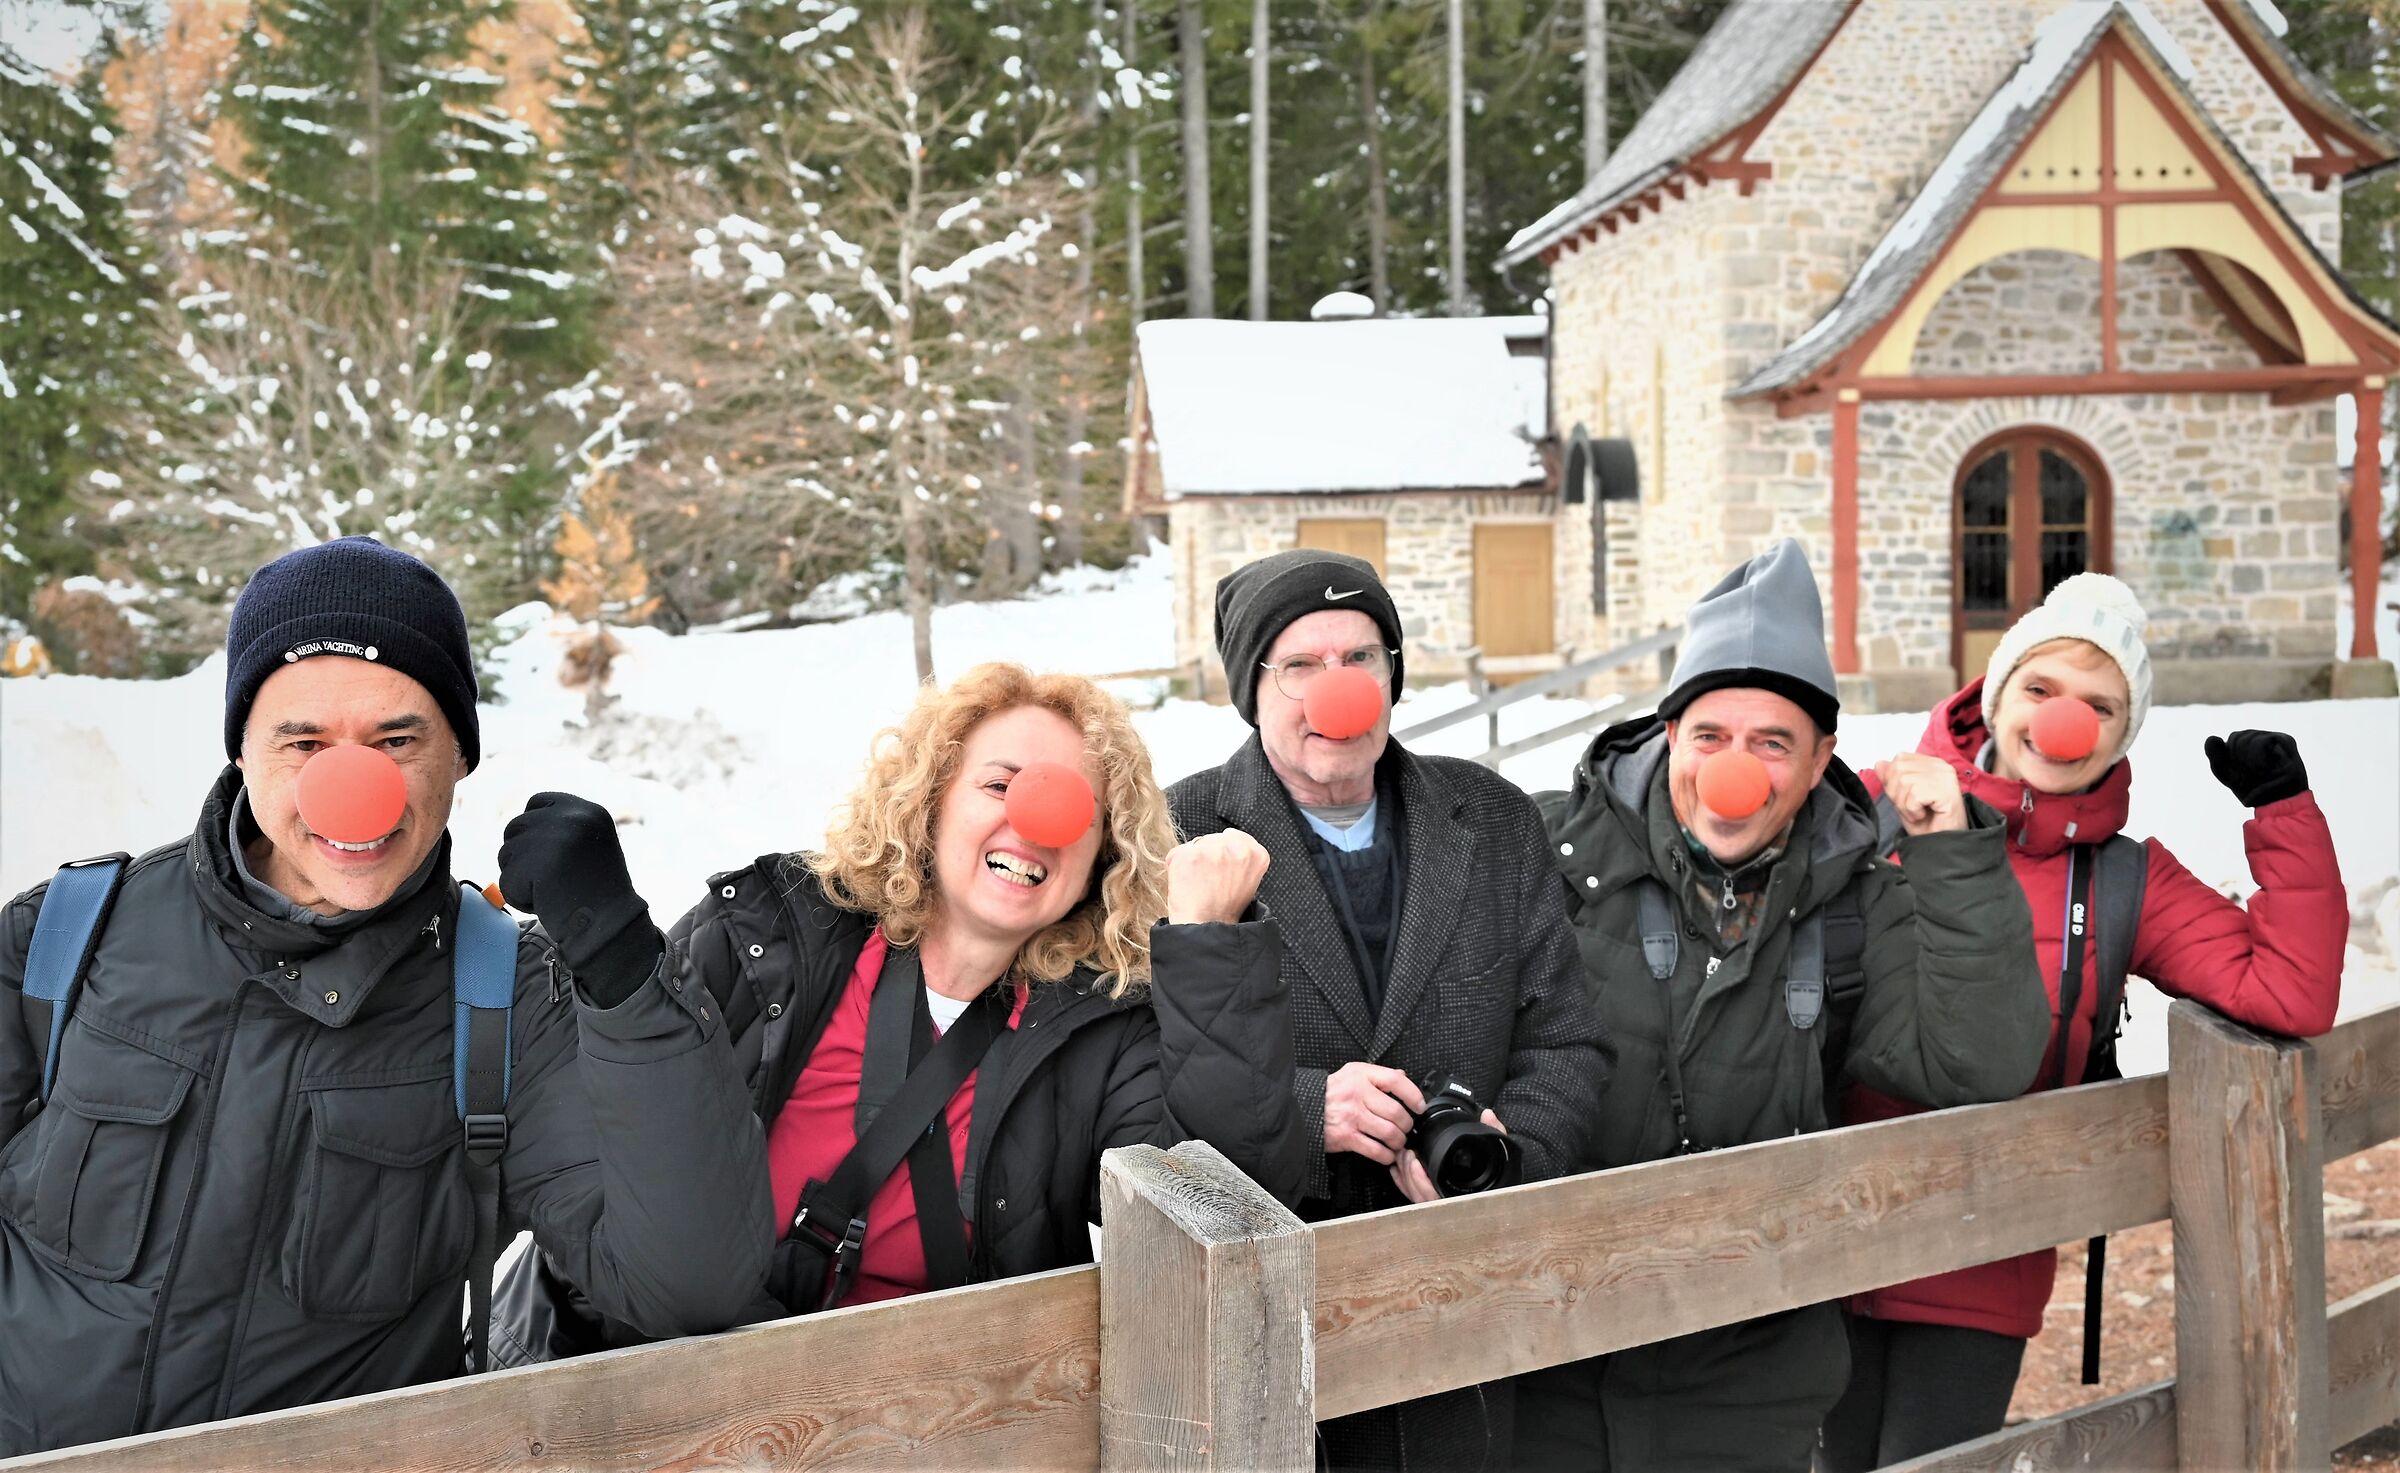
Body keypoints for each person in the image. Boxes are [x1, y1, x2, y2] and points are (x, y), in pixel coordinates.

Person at [0, 537, 770, 1457]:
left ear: (460, 756)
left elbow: (685, 1285)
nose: (351, 789)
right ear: (243, 750)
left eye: (397, 741)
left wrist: (623, 963)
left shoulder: (508, 1000)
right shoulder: (69, 934)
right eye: (303, 743)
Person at [489, 662, 1303, 1358]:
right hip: (658, 1393)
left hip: (922, 1419)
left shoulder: (1102, 1031)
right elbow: (607, 1155)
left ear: (1102, 855)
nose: (1032, 823)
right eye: (999, 784)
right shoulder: (764, 936)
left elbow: (1225, 1215)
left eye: (1071, 808)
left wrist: (1211, 949)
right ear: (931, 797)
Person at [1512, 537, 2049, 1473]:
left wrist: (1954, 856)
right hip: (1539, 1358)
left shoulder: (1857, 901)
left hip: (1750, 1377)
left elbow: (1980, 1061)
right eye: (1711, 736)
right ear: (1669, 733)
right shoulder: (1546, 854)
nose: (1738, 770)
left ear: (1819, 760)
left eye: (1773, 743)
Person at [1817, 573, 2346, 1470]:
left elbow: (2290, 992)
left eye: (2100, 706)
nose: (2064, 720)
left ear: (2122, 733)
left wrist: (2284, 810)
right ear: (1994, 697)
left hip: (1982, 1252)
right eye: (2041, 687)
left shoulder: (2123, 878)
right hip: (1816, 1233)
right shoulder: (1868, 810)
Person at [1166, 549, 1607, 1472]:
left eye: (1360, 658)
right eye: (1300, 664)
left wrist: (1509, 1153)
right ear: (1252, 691)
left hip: (1461, 1297)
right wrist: (1300, 1106)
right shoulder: (1180, 834)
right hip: (1269, 1313)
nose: (1338, 690)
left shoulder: (1492, 817)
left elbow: (1566, 1037)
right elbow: (1138, 1070)